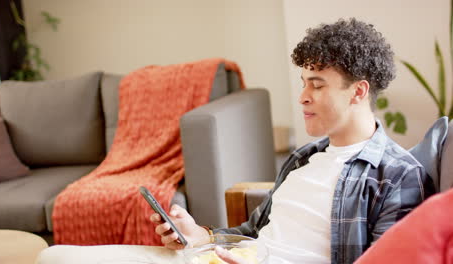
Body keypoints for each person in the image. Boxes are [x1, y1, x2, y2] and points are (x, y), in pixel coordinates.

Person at [150, 18, 436, 264]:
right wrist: (200, 236)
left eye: (317, 84)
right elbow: (253, 234)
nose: (303, 97)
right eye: (304, 83)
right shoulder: (303, 159)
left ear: (358, 91)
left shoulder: (398, 176)